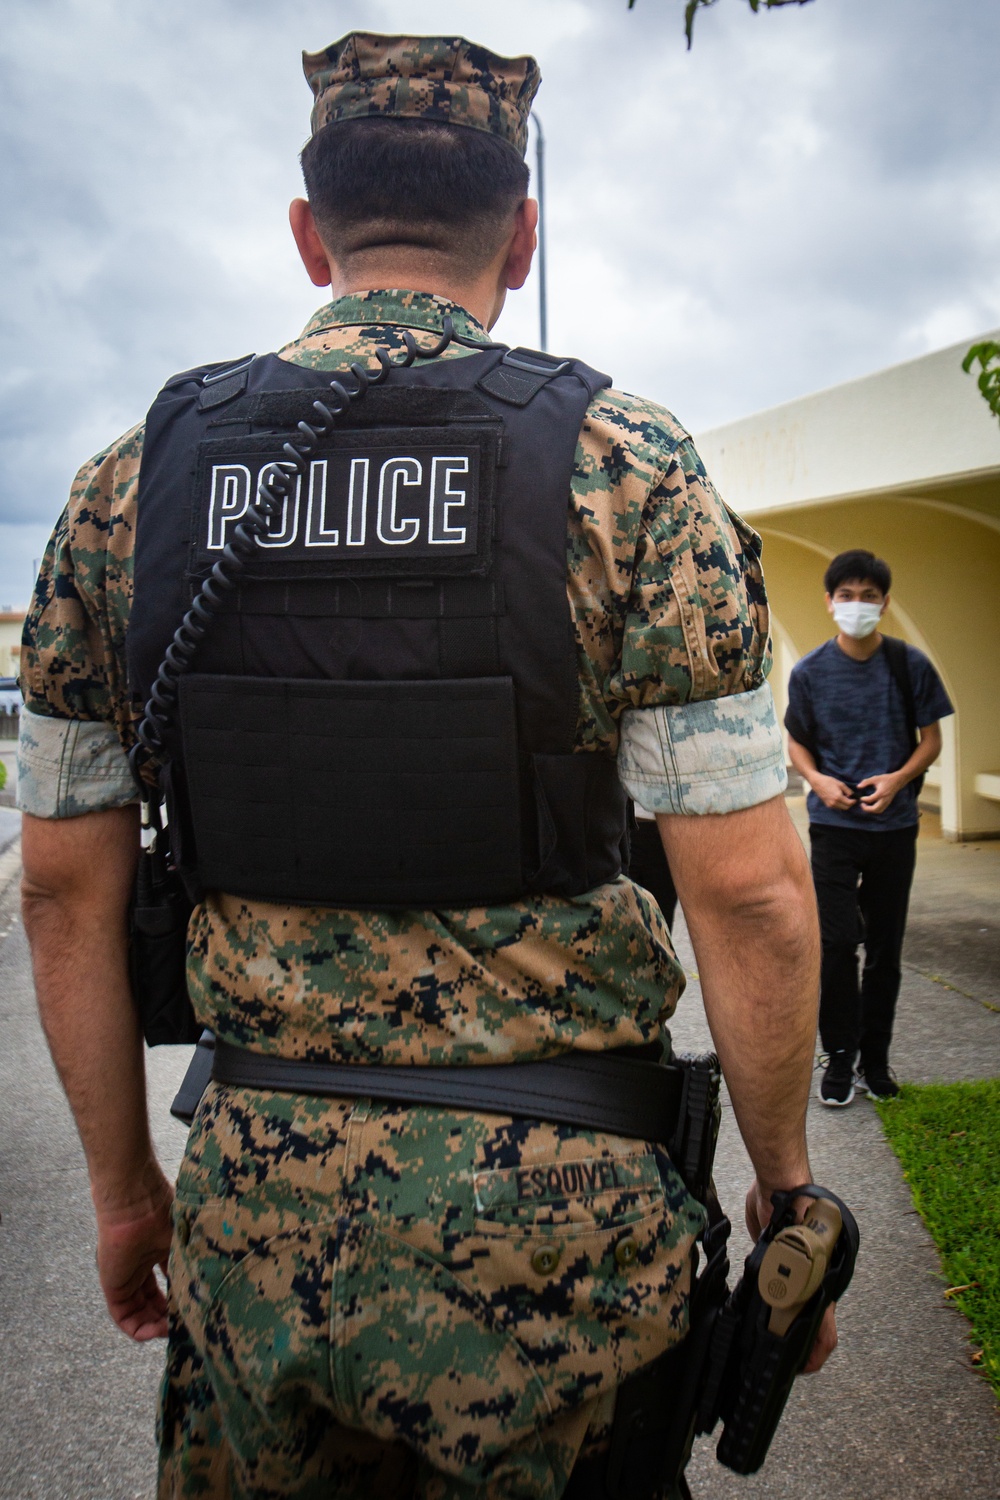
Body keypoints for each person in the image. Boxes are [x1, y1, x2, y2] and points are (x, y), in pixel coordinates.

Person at [19, 31, 836, 1500]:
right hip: (568, 1238)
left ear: (307, 231)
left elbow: (62, 895)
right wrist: (789, 1203)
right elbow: (755, 894)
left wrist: (126, 1190)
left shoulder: (126, 486)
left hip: (259, 1231)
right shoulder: (625, 463)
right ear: (522, 237)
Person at [785, 549, 954, 1108]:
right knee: (835, 946)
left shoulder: (910, 666)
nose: (857, 605)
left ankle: (875, 1060)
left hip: (894, 828)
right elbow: (797, 740)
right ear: (830, 602)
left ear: (884, 603)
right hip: (833, 826)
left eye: (869, 596)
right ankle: (838, 1057)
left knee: (885, 948)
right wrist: (816, 780)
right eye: (847, 595)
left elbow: (931, 740)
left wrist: (899, 779)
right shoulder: (808, 672)